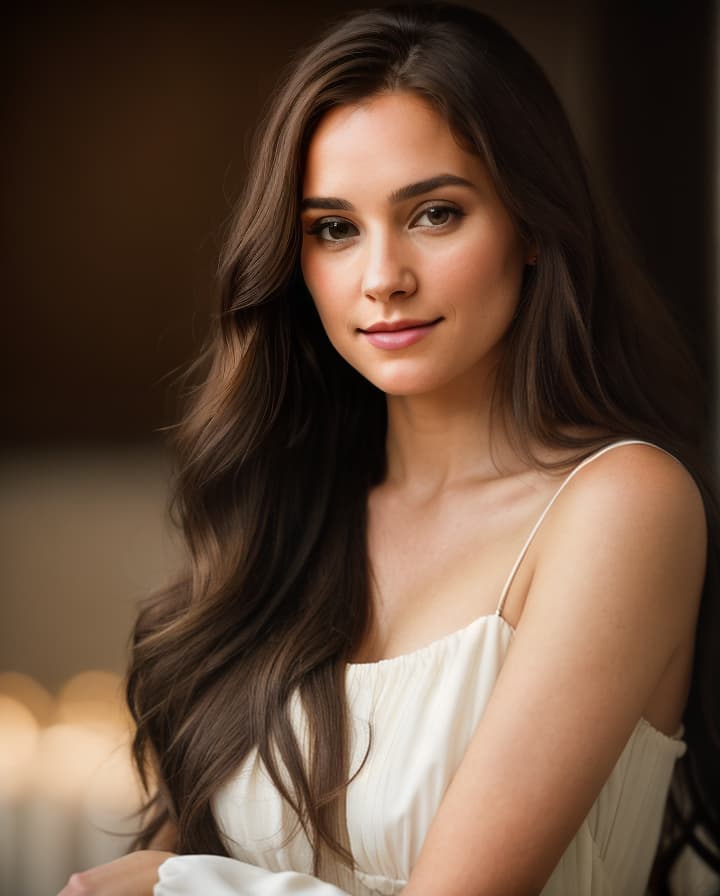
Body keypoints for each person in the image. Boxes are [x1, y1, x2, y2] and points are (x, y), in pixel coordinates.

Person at [59, 3, 720, 895]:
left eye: (435, 213)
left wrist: (176, 885)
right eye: (334, 228)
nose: (382, 278)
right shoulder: (288, 514)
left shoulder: (623, 506)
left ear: (531, 224)